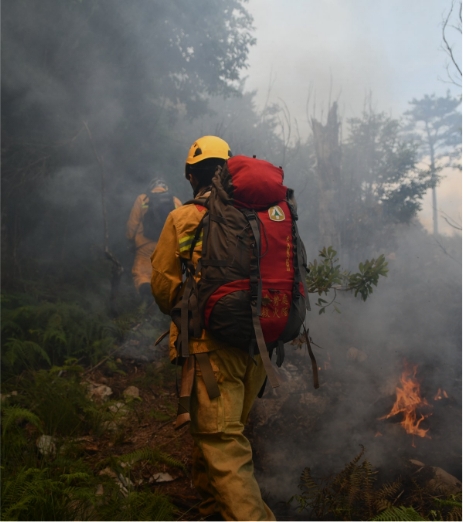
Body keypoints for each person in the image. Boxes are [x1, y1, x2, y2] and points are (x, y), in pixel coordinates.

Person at [150, 136, 275, 521]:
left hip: (211, 352)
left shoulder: (183, 217)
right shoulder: (257, 215)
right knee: (216, 433)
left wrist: (190, 311)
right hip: (257, 347)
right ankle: (211, 511)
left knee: (221, 442)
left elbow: (163, 285)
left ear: (191, 176)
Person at [126, 178, 181, 299]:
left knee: (141, 274)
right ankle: (165, 300)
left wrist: (130, 239)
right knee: (166, 274)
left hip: (145, 245)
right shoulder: (175, 201)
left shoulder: (142, 199)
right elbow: (181, 226)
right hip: (167, 245)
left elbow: (133, 223)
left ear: (151, 187)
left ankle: (147, 297)